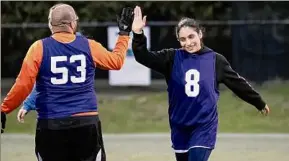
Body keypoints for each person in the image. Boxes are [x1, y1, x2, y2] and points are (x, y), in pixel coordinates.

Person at [131, 6, 270, 161]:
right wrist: (138, 34)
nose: (188, 43)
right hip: (180, 126)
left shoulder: (215, 60)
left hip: (204, 126)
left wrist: (258, 102)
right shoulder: (171, 58)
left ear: (200, 34)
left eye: (191, 37)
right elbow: (143, 56)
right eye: (183, 40)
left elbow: (238, 84)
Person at [1, 3, 134, 161]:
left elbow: (23, 84)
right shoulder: (89, 46)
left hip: (51, 124)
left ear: (51, 25)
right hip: (85, 122)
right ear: (73, 23)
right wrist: (124, 33)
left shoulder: (38, 48)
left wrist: (5, 109)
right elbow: (116, 62)